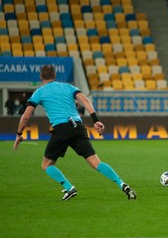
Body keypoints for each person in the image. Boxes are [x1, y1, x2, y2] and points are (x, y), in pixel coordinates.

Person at [13, 65, 136, 201]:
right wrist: (95, 120)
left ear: (41, 77)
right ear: (55, 75)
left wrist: (19, 134)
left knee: (47, 165)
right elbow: (85, 100)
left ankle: (69, 187)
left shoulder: (39, 92)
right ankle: (122, 184)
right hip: (78, 127)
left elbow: (26, 116)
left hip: (61, 129)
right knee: (96, 163)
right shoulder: (68, 87)